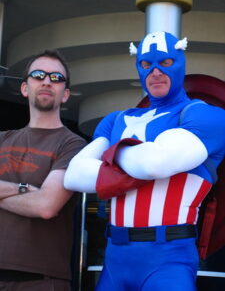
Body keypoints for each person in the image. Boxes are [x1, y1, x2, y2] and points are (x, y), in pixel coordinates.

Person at [64, 31, 225, 291]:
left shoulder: (204, 116)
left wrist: (110, 156)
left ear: (181, 64)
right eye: (147, 64)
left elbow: (155, 163)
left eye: (167, 63)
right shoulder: (116, 119)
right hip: (115, 258)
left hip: (168, 260)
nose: (156, 72)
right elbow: (74, 175)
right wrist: (137, 159)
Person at [0, 50, 86, 290]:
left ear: (66, 94)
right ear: (25, 88)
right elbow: (37, 199)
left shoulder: (73, 145)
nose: (47, 81)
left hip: (42, 281)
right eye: (38, 75)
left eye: (56, 78)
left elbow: (46, 206)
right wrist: (25, 189)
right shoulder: (2, 140)